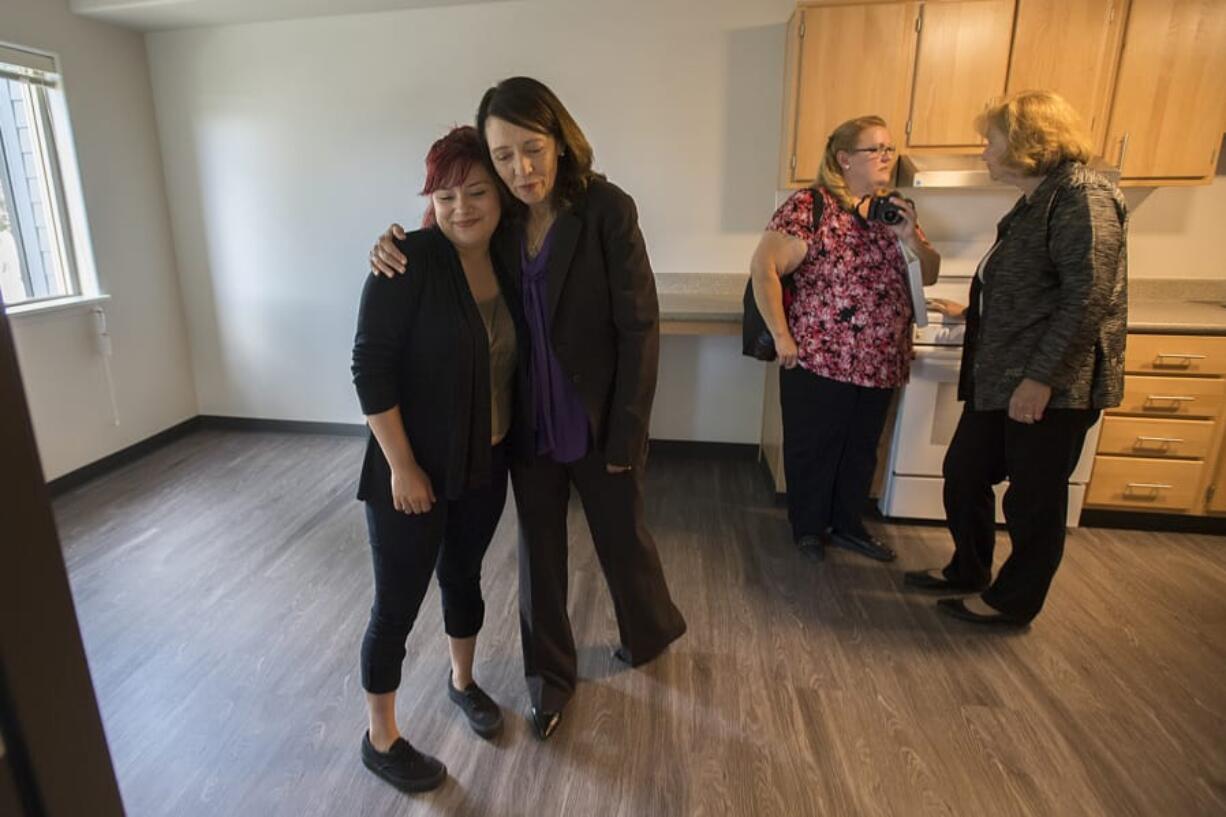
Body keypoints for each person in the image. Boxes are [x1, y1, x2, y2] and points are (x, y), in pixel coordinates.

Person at [369, 77, 686, 740]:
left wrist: (629, 429)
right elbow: (449, 231)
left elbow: (640, 325)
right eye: (504, 156)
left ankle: (650, 632)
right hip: (529, 422)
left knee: (622, 538)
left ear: (559, 141)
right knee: (539, 555)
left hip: (599, 420)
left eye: (532, 148)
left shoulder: (605, 209)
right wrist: (391, 239)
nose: (522, 168)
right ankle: (549, 678)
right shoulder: (501, 217)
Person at [904, 90, 1128, 627]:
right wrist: (974, 310)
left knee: (1033, 500)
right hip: (1002, 374)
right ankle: (969, 569)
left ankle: (1013, 601)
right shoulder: (1037, 199)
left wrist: (1041, 379)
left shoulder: (1082, 196)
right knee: (964, 472)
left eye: (991, 142)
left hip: (1048, 385)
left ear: (1028, 142)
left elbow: (1087, 296)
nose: (983, 153)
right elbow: (1032, 286)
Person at [351, 125, 518, 791]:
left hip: (488, 461)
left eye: (476, 191)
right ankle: (380, 737)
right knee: (395, 604)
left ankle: (462, 681)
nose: (461, 208)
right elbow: (370, 369)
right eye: (445, 195)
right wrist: (402, 466)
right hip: (411, 470)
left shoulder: (512, 256)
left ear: (501, 195)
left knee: (465, 576)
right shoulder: (407, 261)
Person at [750, 115, 940, 563]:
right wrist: (782, 336)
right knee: (814, 447)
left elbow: (928, 273)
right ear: (843, 159)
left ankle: (849, 524)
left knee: (860, 449)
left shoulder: (892, 209)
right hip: (820, 357)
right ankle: (809, 528)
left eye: (889, 149)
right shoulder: (810, 207)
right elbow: (765, 269)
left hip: (880, 360)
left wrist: (910, 237)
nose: (886, 158)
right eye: (875, 149)